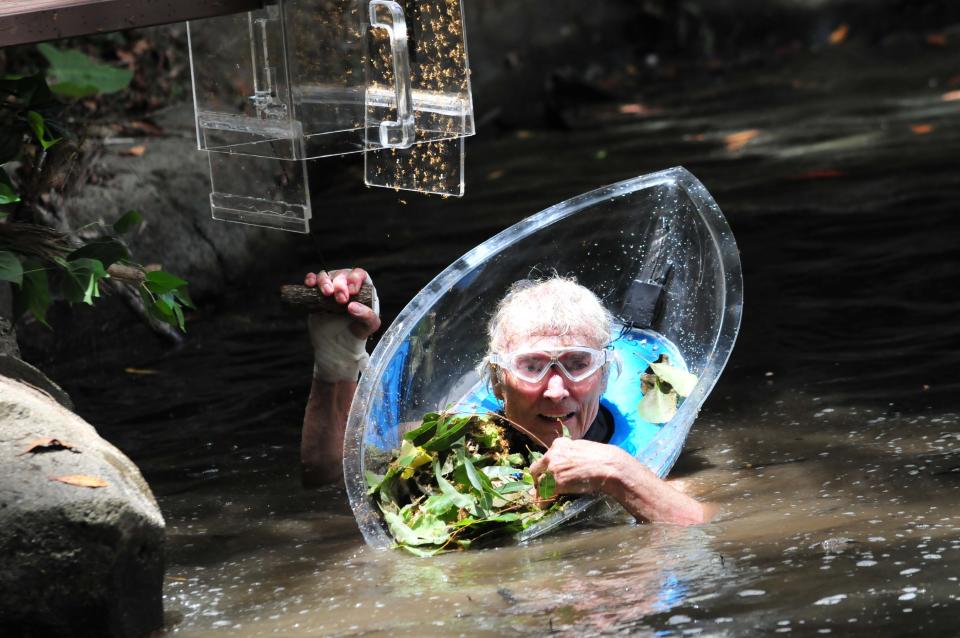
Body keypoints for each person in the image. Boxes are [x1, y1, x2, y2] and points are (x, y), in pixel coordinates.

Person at [301, 267, 710, 525]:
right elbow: (330, 479)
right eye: (532, 366)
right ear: (497, 382)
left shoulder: (651, 453)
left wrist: (620, 474)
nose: (556, 390)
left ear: (605, 375)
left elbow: (708, 533)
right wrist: (336, 365)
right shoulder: (449, 444)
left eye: (578, 364)